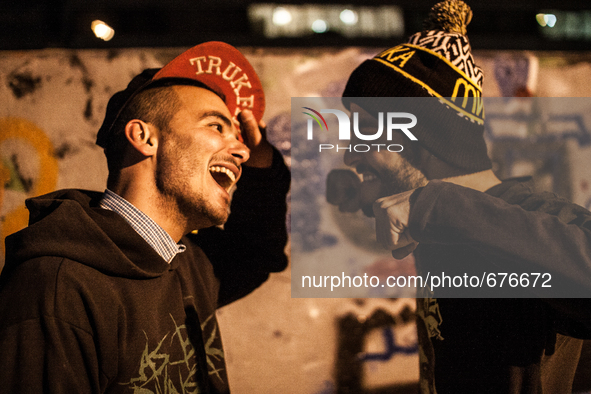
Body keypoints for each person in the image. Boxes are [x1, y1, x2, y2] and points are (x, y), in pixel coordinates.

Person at [328, 1, 591, 393]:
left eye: (366, 131)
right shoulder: (439, 224)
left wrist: (437, 206)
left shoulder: (522, 215)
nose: (351, 152)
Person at [0, 42, 290, 393]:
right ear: (144, 138)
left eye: (238, 138)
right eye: (216, 126)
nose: (242, 150)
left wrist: (262, 163)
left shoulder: (188, 264)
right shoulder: (56, 290)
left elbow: (257, 252)